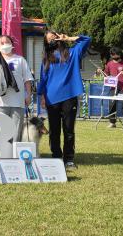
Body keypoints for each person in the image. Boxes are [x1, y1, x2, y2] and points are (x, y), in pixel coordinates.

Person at [37, 31, 91, 171]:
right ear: (46, 44)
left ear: (59, 37)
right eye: (49, 40)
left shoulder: (73, 53)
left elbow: (87, 39)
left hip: (69, 96)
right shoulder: (46, 59)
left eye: (54, 37)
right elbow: (43, 79)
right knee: (54, 130)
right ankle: (56, 156)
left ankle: (69, 159)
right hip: (51, 98)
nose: (53, 41)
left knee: (69, 129)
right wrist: (42, 96)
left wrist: (68, 38)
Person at [0, 35, 33, 143]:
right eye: (2, 43)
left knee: (17, 131)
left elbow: (27, 79)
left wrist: (28, 95)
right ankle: (3, 156)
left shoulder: (20, 59)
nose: (5, 45)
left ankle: (14, 155)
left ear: (12, 44)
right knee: (2, 130)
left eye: (7, 42)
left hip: (18, 101)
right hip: (1, 101)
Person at [104, 47, 123, 130]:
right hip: (113, 87)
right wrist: (100, 72)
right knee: (111, 105)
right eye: (112, 54)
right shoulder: (109, 64)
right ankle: (112, 122)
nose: (114, 56)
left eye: (115, 54)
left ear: (119, 54)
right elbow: (105, 75)